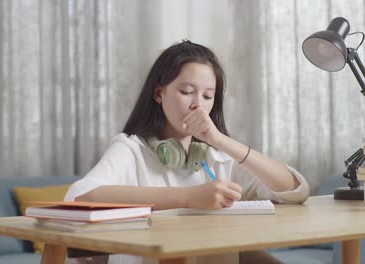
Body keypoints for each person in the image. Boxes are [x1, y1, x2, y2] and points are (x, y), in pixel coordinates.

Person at [64, 40, 310, 264]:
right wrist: (189, 197)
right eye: (186, 92)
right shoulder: (131, 149)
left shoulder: (216, 158)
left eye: (207, 96)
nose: (198, 104)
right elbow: (80, 197)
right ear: (159, 93)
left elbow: (293, 189)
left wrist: (219, 139)